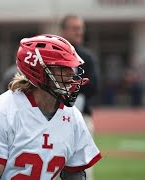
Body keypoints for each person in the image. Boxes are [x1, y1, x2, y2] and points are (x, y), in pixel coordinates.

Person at [0, 34, 102, 180]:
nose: (70, 75)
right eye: (62, 67)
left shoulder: (73, 116)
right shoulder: (3, 111)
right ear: (39, 71)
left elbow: (75, 174)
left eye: (71, 68)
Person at [60, 15, 100, 180]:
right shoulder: (56, 54)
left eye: (80, 28)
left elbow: (94, 87)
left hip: (81, 116)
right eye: (74, 28)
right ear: (64, 30)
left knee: (83, 164)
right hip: (56, 116)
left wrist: (73, 85)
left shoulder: (86, 57)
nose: (79, 32)